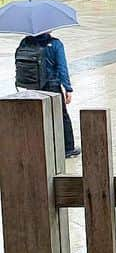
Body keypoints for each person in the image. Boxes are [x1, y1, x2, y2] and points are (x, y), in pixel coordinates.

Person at [14, 29, 79, 158]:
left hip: (32, 87)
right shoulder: (55, 44)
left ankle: (37, 147)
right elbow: (62, 68)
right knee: (61, 116)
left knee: (36, 117)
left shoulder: (25, 42)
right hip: (52, 86)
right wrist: (68, 88)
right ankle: (68, 148)